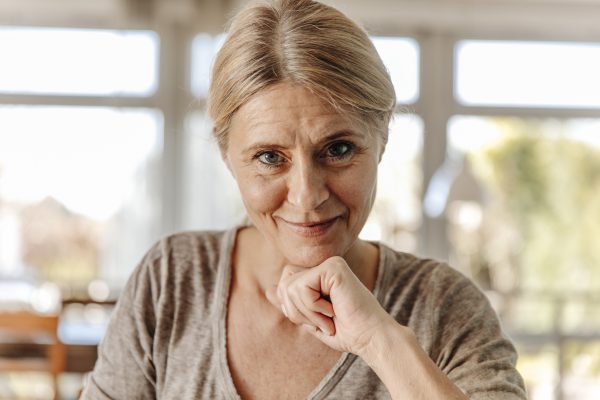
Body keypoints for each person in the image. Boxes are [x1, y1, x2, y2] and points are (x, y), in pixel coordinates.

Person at [81, 0, 527, 398]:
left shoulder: (443, 307)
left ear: (382, 141)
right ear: (227, 157)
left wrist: (380, 340)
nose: (308, 195)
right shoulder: (172, 282)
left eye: (338, 150)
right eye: (270, 157)